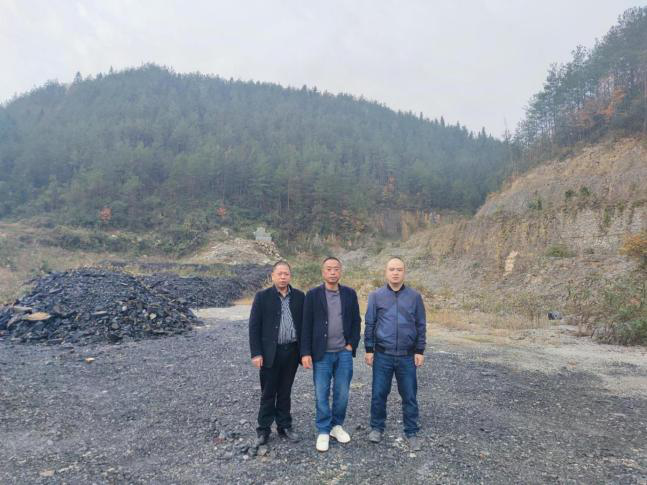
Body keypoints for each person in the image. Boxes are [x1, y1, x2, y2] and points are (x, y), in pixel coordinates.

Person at [364, 257, 426, 451]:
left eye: (399, 269)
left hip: (407, 356)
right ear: (386, 272)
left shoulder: (414, 297)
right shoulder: (376, 296)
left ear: (404, 272)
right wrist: (369, 349)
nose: (395, 273)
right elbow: (370, 323)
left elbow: (421, 324)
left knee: (409, 395)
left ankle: (411, 431)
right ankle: (377, 427)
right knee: (379, 393)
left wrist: (420, 350)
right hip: (383, 355)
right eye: (392, 269)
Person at [301, 257, 361, 452]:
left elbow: (356, 321)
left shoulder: (350, 294)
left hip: (343, 353)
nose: (333, 272)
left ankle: (336, 426)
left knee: (342, 393)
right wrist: (305, 352)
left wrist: (351, 344)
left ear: (340, 271)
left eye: (336, 269)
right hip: (322, 354)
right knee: (321, 393)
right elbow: (306, 324)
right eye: (329, 269)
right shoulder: (313, 295)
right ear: (323, 272)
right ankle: (323, 430)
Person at [249, 260, 305, 447]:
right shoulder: (262, 297)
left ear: (290, 276)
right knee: (268, 392)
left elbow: (304, 325)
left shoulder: (299, 296)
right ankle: (263, 430)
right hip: (269, 353)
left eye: (286, 274)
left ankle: (284, 426)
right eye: (279, 274)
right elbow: (254, 327)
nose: (283, 277)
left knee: (285, 391)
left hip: (292, 351)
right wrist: (256, 353)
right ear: (272, 276)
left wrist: (305, 352)